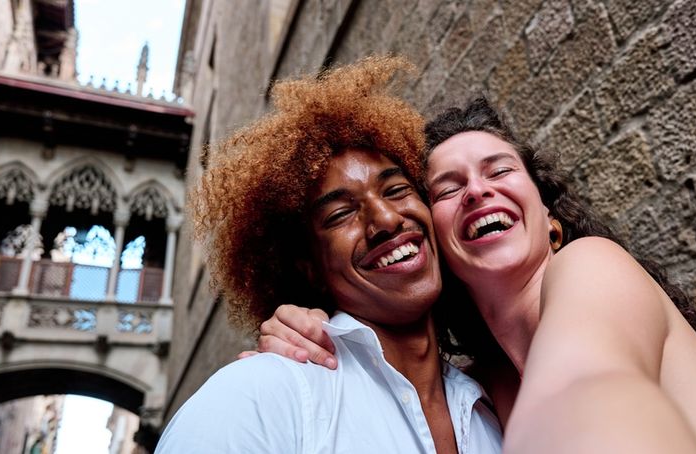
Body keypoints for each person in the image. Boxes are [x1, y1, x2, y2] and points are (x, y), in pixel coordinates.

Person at [254, 98, 696, 453]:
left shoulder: (592, 265)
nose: (477, 190)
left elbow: (588, 394)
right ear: (436, 246)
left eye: (499, 170)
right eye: (448, 188)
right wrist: (305, 338)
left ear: (550, 221)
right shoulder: (479, 394)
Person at [156, 57, 502, 453]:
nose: (386, 219)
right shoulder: (262, 398)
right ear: (309, 268)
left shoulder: (493, 410)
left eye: (396, 190)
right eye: (341, 214)